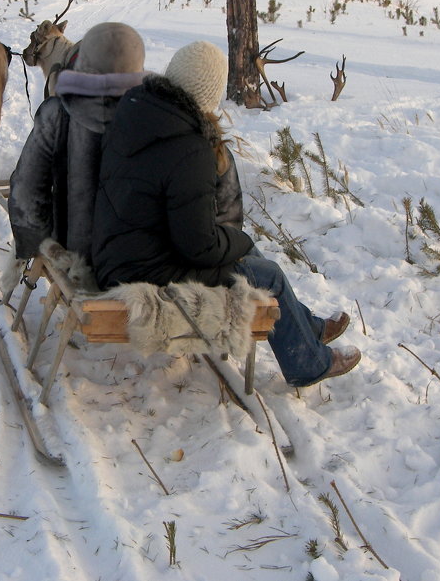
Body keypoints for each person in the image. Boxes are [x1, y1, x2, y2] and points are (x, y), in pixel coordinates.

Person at [92, 41, 360, 387]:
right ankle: (308, 364)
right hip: (145, 269)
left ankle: (310, 329)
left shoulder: (136, 113)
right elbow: (198, 246)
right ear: (209, 94)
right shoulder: (188, 147)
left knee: (250, 257)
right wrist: (239, 238)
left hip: (121, 249)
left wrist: (236, 243)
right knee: (269, 273)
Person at [9, 22, 149, 265]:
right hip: (139, 261)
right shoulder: (156, 115)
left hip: (75, 255)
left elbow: (25, 191)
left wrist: (38, 245)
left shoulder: (56, 113)